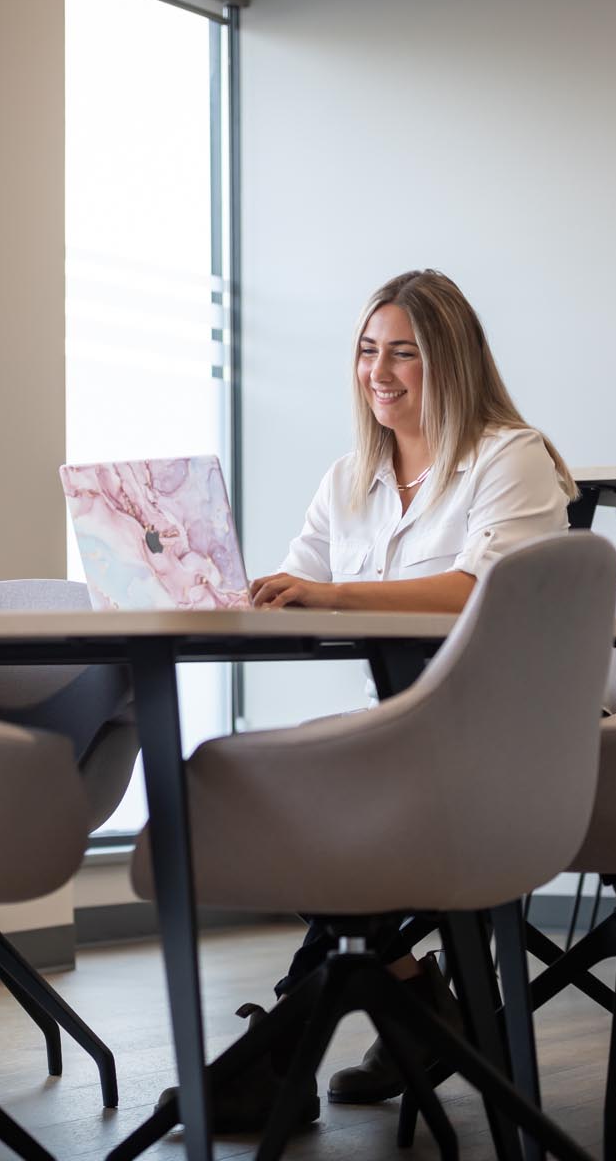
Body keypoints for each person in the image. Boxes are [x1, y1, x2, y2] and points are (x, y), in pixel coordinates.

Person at [242, 269, 578, 1120]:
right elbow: (301, 584)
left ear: (451, 361)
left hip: (505, 735)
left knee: (335, 800)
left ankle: (283, 1052)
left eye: (404, 354)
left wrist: (330, 596)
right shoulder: (348, 477)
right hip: (399, 731)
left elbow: (481, 588)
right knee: (271, 788)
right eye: (366, 351)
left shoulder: (512, 458)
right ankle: (412, 1001)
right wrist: (236, 588)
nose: (378, 372)